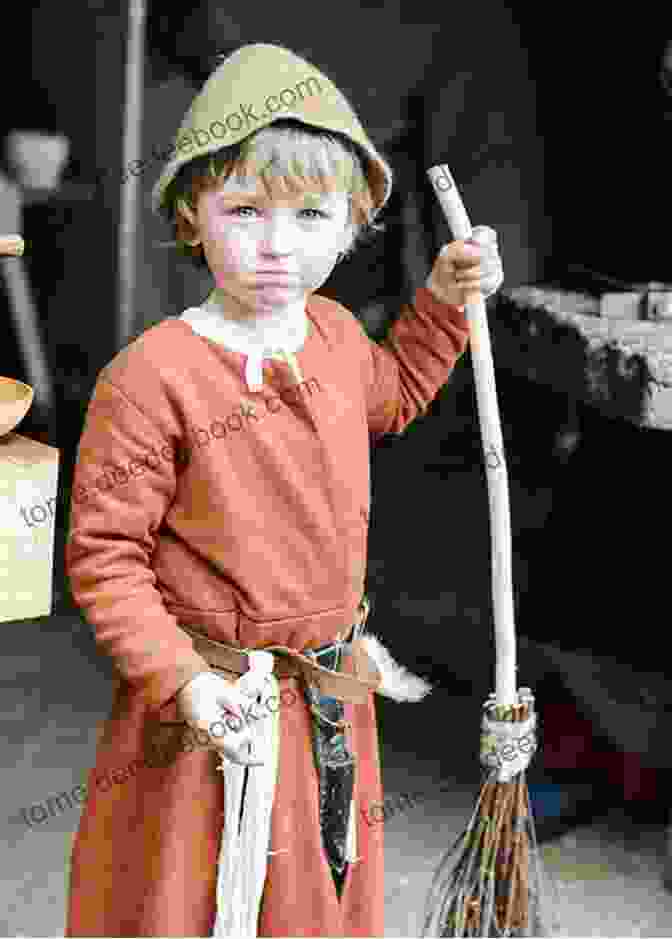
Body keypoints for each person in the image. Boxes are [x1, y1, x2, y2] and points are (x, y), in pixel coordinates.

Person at [64, 42, 504, 938]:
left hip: (327, 699)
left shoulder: (339, 339)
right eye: (244, 210)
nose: (276, 244)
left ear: (350, 226)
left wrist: (446, 301)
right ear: (191, 211)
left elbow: (399, 393)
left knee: (311, 906)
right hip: (210, 712)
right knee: (187, 899)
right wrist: (183, 680)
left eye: (311, 214)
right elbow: (106, 559)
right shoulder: (148, 379)